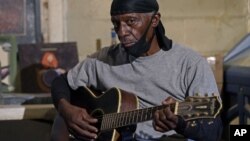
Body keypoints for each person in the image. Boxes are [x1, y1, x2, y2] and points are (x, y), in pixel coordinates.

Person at [50, 0, 223, 141]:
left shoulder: (190, 64)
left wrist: (180, 124)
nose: (122, 32)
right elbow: (61, 82)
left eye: (131, 21)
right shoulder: (104, 59)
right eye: (116, 24)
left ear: (154, 20)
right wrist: (67, 111)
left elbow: (213, 130)